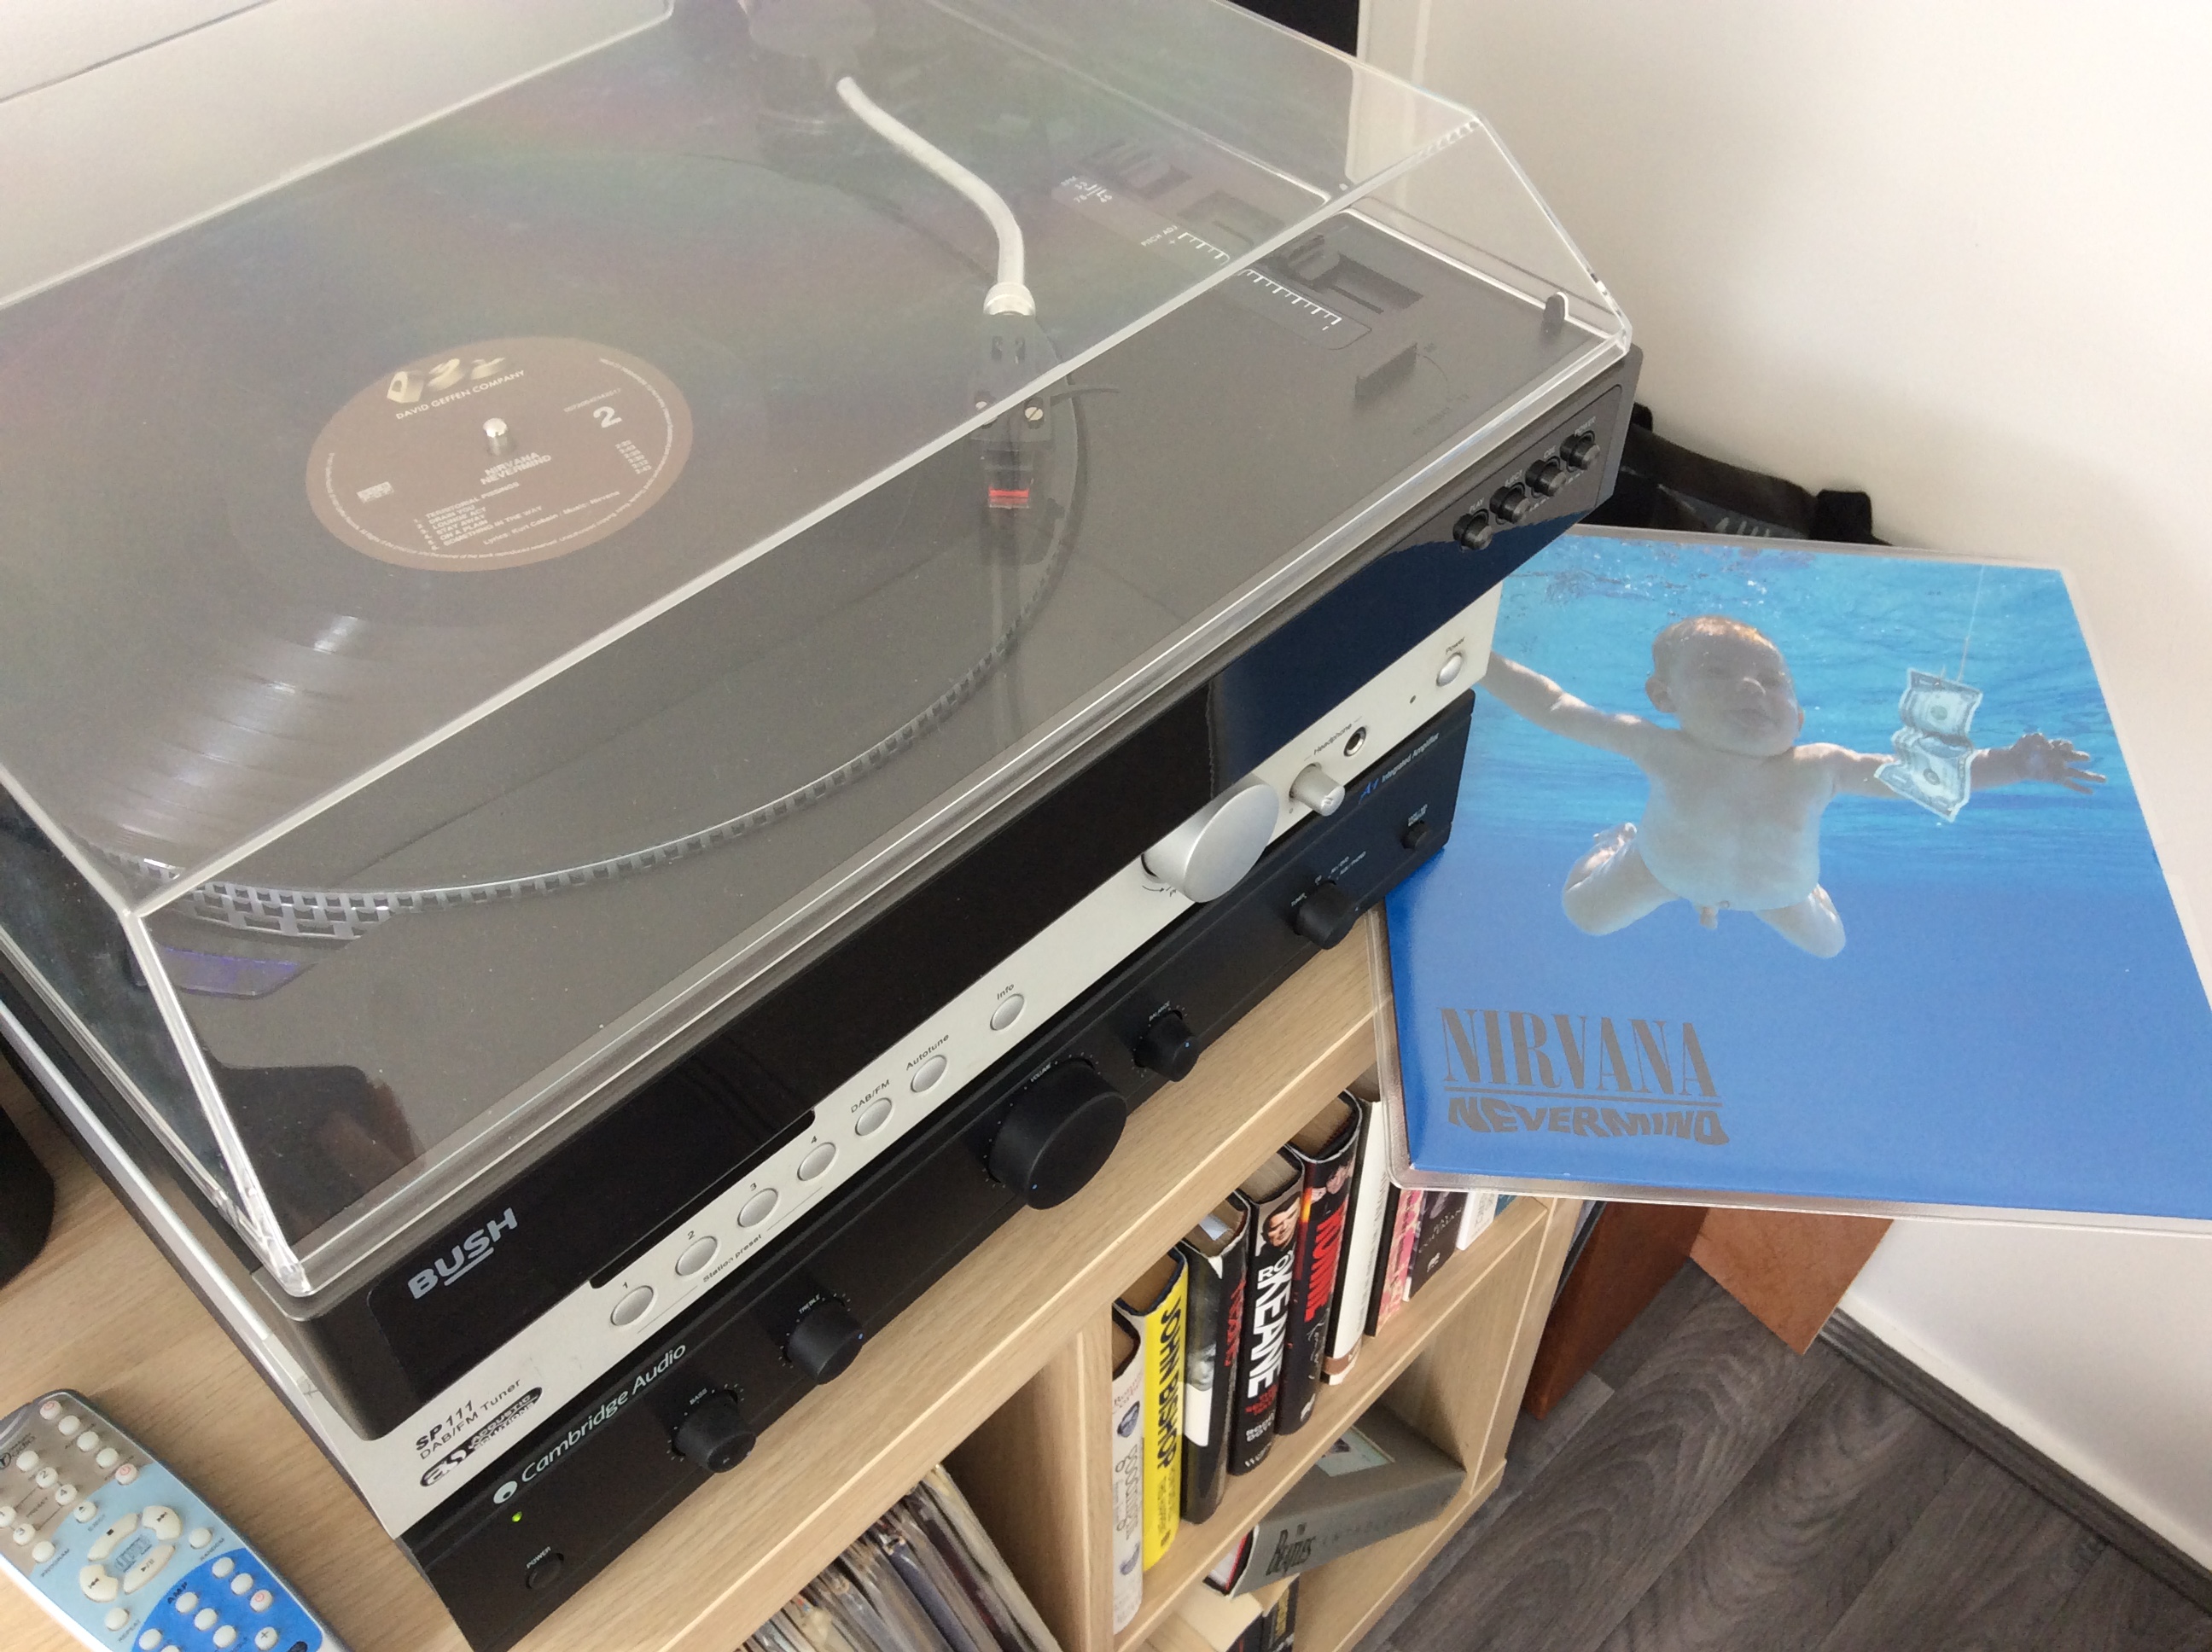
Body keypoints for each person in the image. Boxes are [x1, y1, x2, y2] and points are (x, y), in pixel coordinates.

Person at [1481, 614, 2104, 957]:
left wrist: (2014, 764)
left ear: (1799, 719)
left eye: (1773, 680)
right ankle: (1616, 843)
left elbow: (1922, 778)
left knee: (1831, 946)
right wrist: (1475, 659)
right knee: (1584, 914)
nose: (1752, 687)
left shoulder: (1820, 765)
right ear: (1664, 696)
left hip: (1777, 892)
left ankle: (1805, 890)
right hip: (1660, 869)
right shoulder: (1660, 747)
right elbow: (1556, 707)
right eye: (1719, 672)